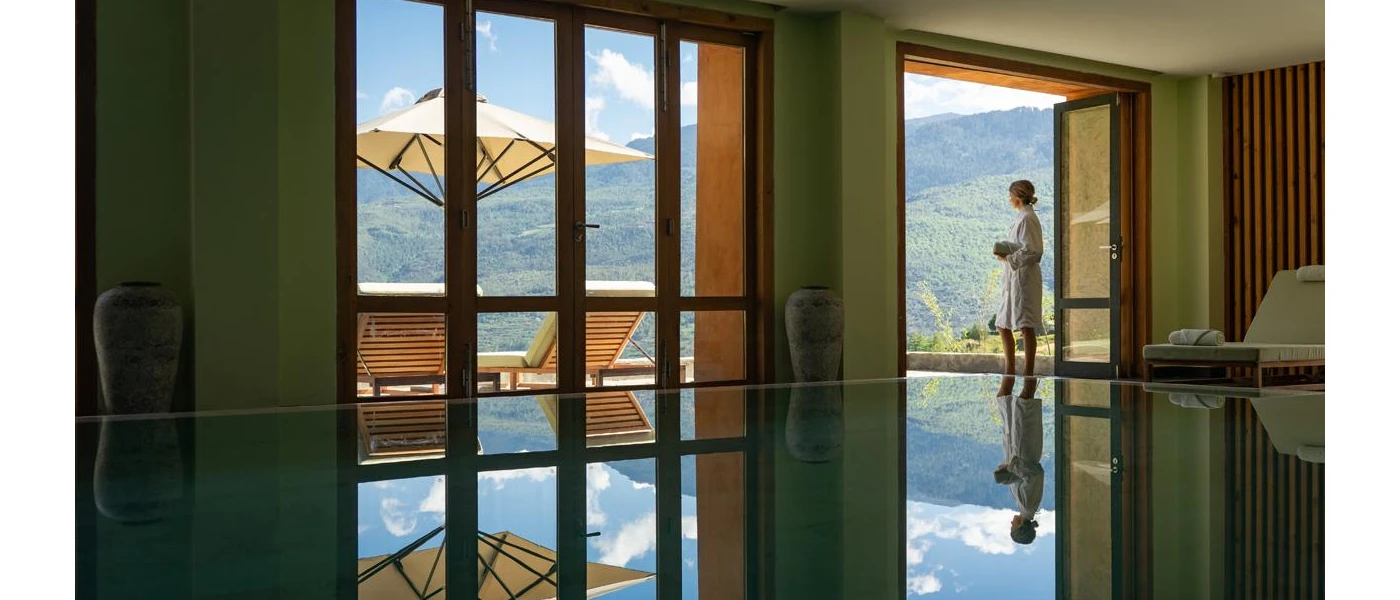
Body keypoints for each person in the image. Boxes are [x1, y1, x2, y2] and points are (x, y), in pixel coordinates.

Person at [992, 180, 1045, 376]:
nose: (1009, 199)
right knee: (1002, 325)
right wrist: (1006, 249)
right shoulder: (1022, 217)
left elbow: (1034, 250)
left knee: (1026, 326)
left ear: (1017, 196)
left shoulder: (1028, 218)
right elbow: (1021, 245)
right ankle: (1010, 369)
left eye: (1010, 196)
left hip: (1024, 280)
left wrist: (1009, 257)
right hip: (1014, 279)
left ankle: (1028, 373)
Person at [993, 376, 1045, 545]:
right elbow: (1035, 474)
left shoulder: (1023, 507)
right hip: (1025, 445)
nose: (1011, 523)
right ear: (1020, 527)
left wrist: (1005, 477)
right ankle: (1030, 356)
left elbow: (1021, 479)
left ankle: (1011, 358)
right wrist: (1010, 467)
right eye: (1013, 527)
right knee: (1025, 398)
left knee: (1004, 396)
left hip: (1015, 445)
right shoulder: (1029, 507)